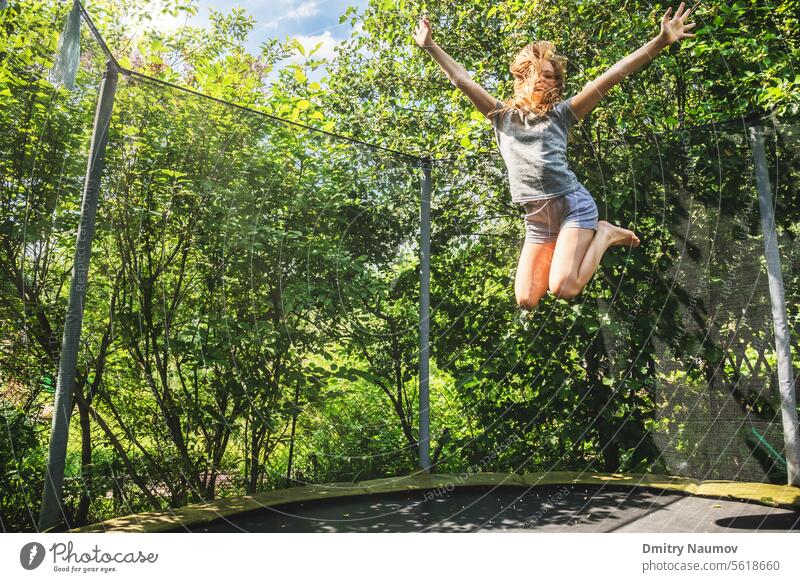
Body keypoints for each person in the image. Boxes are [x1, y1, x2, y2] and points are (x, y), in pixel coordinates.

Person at [413, 4, 697, 309]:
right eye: (535, 74)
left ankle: (603, 233)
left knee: (564, 287)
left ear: (556, 85)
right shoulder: (501, 116)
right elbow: (462, 80)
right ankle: (584, 243)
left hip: (571, 205)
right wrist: (430, 45)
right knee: (526, 299)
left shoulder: (562, 114)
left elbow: (614, 74)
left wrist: (660, 41)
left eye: (549, 76)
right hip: (537, 220)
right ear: (521, 79)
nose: (543, 80)